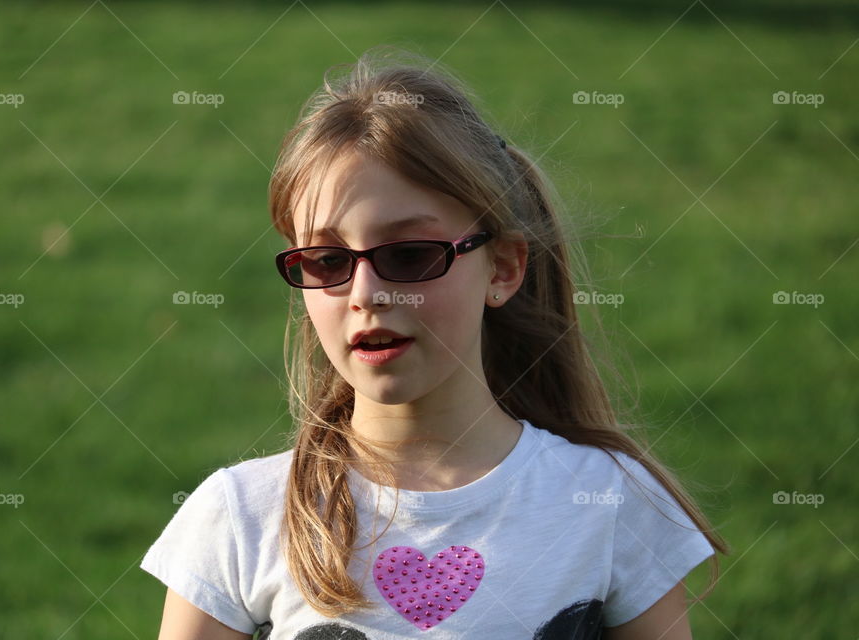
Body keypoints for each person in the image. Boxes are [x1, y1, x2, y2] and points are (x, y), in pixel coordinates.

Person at [140, 46, 729, 640]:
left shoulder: (606, 501)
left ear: (501, 269)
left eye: (409, 255)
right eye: (326, 260)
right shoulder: (240, 517)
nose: (365, 292)